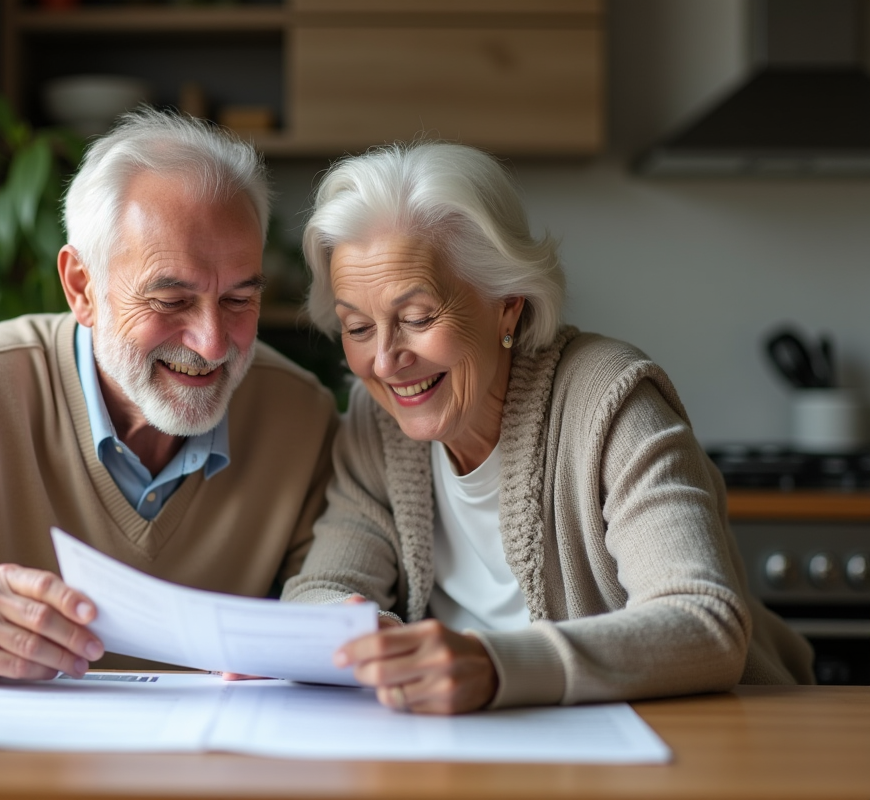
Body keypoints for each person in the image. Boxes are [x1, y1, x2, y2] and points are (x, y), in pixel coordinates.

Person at [0, 110, 338, 683]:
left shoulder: (302, 416)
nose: (214, 343)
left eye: (240, 300)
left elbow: (333, 596)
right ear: (81, 287)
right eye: (171, 301)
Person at [282, 142, 814, 714]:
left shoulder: (609, 398)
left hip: (698, 740)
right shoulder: (372, 422)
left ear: (507, 304)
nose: (385, 362)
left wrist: (493, 666)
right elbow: (322, 587)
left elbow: (704, 622)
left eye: (416, 319)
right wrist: (362, 640)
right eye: (358, 327)